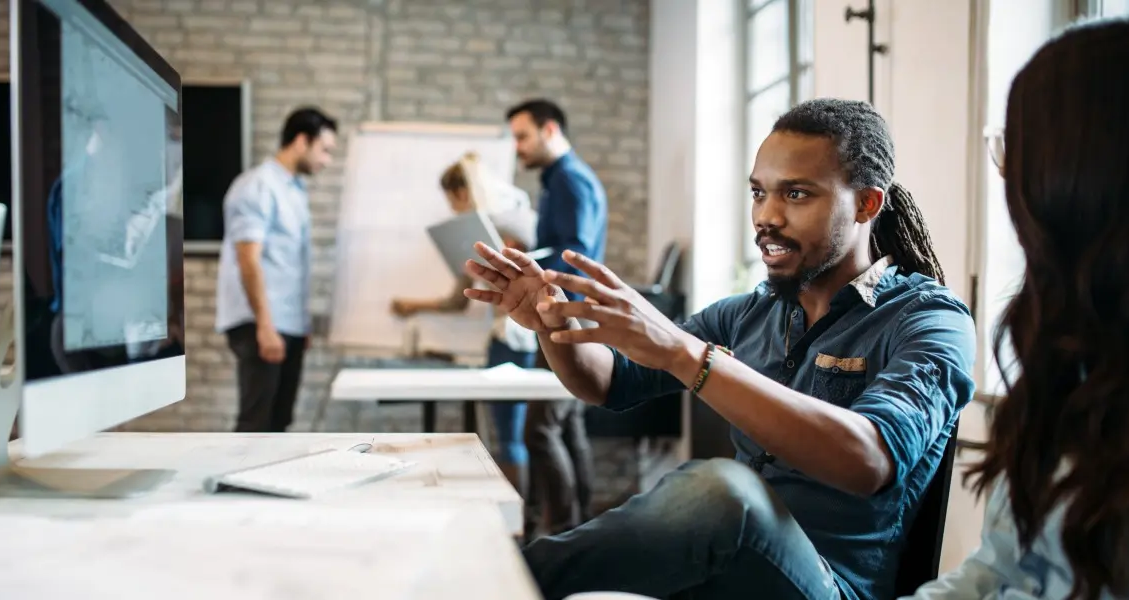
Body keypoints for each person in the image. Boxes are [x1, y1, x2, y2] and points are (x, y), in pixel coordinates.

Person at [465, 98, 976, 600]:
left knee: (724, 494)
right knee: (714, 499)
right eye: (758, 193)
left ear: (866, 204)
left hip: (832, 587)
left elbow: (868, 459)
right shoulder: (749, 312)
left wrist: (686, 355)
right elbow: (611, 382)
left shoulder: (930, 320)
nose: (767, 216)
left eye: (796, 195)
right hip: (726, 578)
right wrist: (551, 322)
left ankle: (481, 584)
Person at [903, 17, 1129, 600]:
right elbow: (1000, 569)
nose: (1007, 173)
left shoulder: (928, 316)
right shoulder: (1068, 351)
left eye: (1019, 150)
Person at [390, 152, 539, 492]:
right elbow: (459, 300)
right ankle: (510, 508)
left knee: (510, 436)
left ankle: (516, 513)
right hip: (499, 338)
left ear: (461, 192)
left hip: (517, 338)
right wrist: (413, 306)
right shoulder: (474, 234)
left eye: (452, 199)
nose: (453, 208)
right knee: (503, 436)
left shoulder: (513, 224)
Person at [505, 98, 606, 536]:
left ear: (550, 131)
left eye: (522, 136)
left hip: (566, 317)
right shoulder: (559, 180)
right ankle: (581, 531)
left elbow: (573, 255)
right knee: (566, 428)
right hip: (569, 315)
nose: (517, 147)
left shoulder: (568, 180)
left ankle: (564, 533)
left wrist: (523, 265)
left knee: (540, 431)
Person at [215, 107, 338, 433]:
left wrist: (301, 323)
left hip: (288, 322)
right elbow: (248, 259)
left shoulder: (295, 191)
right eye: (324, 150)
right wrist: (265, 326)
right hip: (261, 322)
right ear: (301, 141)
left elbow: (290, 264)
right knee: (257, 422)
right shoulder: (257, 185)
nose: (327, 160)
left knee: (279, 422)